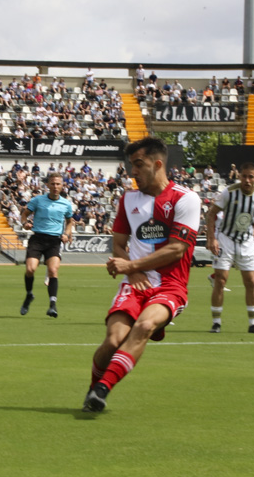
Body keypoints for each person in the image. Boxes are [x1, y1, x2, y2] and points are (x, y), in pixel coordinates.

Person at [82, 137, 201, 413]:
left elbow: (177, 249)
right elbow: (119, 246)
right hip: (134, 285)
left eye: (138, 165)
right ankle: (93, 387)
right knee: (112, 340)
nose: (132, 171)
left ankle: (102, 389)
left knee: (145, 327)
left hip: (171, 286)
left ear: (157, 164)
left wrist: (131, 266)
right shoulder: (128, 200)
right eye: (130, 165)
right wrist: (130, 270)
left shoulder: (186, 199)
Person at [204, 162, 254, 334]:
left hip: (247, 241)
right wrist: (211, 238)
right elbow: (211, 214)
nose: (247, 180)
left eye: (251, 177)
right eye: (244, 176)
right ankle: (216, 322)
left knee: (251, 281)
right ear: (239, 176)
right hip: (226, 238)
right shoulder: (229, 192)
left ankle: (253, 324)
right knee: (220, 280)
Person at [18, 172, 75, 318]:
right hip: (37, 239)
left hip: (54, 241)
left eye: (58, 184)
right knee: (30, 269)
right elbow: (24, 214)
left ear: (62, 186)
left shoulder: (66, 204)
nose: (55, 186)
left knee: (53, 270)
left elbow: (69, 222)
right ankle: (29, 294)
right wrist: (25, 223)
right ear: (48, 185)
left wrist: (67, 234)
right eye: (53, 184)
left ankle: (52, 305)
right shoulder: (38, 200)